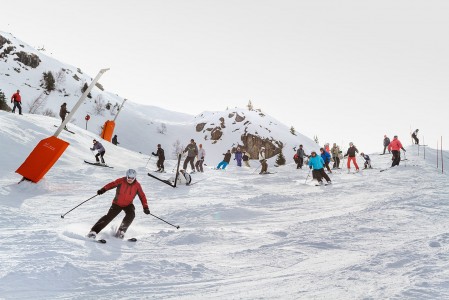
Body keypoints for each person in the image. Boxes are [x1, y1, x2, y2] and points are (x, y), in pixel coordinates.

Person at [87, 169, 150, 240]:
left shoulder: (137, 185)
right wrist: (103, 189)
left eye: (132, 178)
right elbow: (111, 184)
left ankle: (121, 231)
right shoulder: (121, 181)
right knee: (109, 217)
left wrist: (145, 207)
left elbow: (142, 196)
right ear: (126, 176)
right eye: (128, 177)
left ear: (135, 178)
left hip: (128, 204)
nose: (130, 179)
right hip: (117, 203)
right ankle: (93, 231)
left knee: (131, 214)